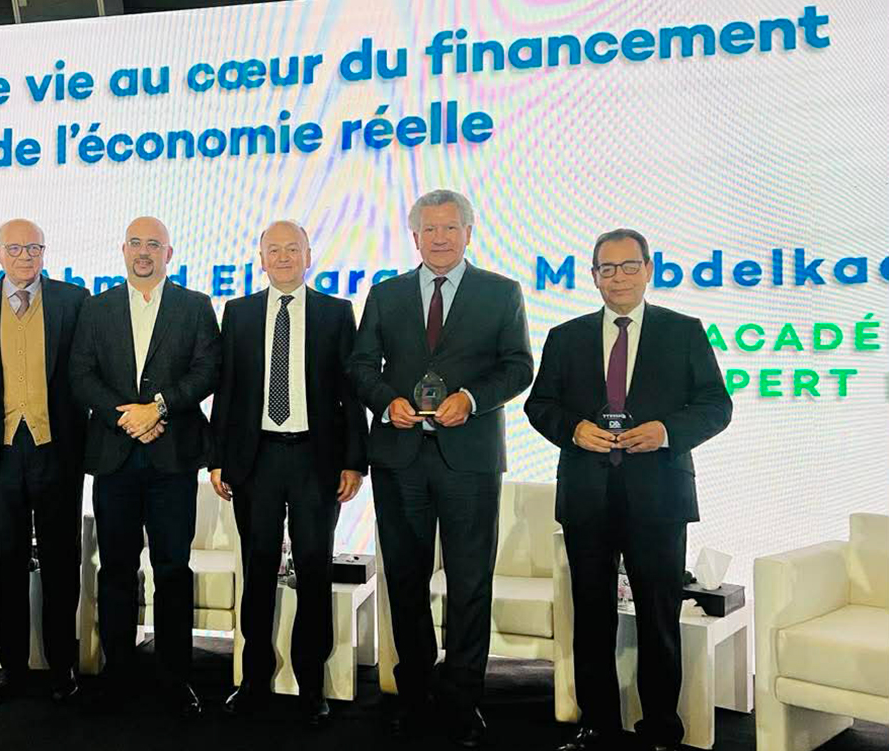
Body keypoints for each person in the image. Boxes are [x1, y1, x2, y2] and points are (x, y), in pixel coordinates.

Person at [525, 228, 732, 751]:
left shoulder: (683, 331)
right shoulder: (566, 336)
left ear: (649, 270)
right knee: (591, 617)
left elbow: (716, 405)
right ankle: (597, 725)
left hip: (659, 497)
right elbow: (540, 405)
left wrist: (666, 432)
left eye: (629, 266)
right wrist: (573, 430)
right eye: (607, 268)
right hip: (586, 497)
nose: (618, 277)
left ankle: (661, 729)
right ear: (594, 276)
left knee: (659, 619)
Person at [348, 189, 533, 747]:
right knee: (404, 582)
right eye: (429, 229)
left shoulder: (501, 292)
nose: (440, 238)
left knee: (470, 583)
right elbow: (361, 365)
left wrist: (472, 400)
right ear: (414, 237)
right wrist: (387, 402)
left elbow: (518, 367)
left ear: (468, 233)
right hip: (400, 459)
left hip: (469, 461)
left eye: (450, 228)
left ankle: (462, 701)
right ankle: (414, 695)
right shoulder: (386, 294)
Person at [210, 220, 368, 726]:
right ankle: (254, 680)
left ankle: (311, 684)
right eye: (273, 250)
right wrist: (217, 458)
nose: (282, 257)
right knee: (257, 570)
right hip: (254, 460)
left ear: (308, 255)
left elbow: (351, 393)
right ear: (260, 259)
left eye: (291, 249)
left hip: (314, 461)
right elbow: (227, 391)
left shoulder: (335, 313)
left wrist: (354, 460)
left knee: (314, 571)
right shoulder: (238, 313)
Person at [69, 216, 220, 718]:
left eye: (153, 244)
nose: (143, 252)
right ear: (123, 249)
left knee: (173, 569)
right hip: (114, 458)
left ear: (169, 254)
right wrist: (128, 418)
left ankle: (176, 677)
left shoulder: (195, 306)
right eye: (135, 243)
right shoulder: (96, 308)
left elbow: (208, 370)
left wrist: (158, 408)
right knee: (116, 569)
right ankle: (118, 674)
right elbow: (81, 375)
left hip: (173, 458)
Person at [0, 219, 90, 705]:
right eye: (14, 249)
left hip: (57, 449)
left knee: (62, 563)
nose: (24, 257)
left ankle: (62, 665)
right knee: (6, 562)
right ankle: (10, 668)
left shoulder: (73, 301)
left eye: (33, 248)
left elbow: (84, 371)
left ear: (44, 252)